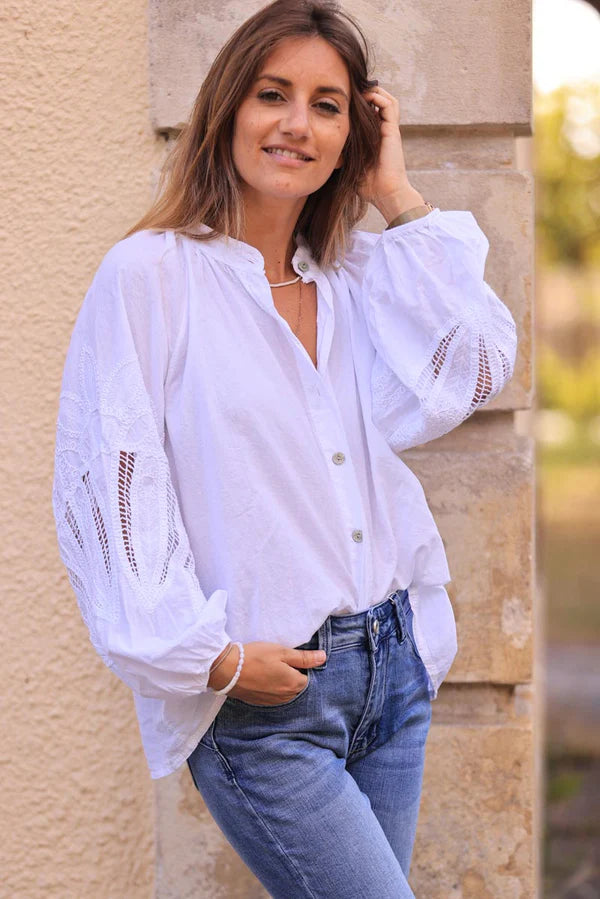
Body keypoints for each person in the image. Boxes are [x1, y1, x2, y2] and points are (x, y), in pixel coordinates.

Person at [51, 1, 518, 896]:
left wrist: (395, 197)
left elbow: (480, 364)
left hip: (395, 670)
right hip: (271, 703)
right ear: (230, 109)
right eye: (273, 94)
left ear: (354, 133)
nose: (297, 124)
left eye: (328, 105)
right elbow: (109, 488)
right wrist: (214, 660)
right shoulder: (151, 276)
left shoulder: (352, 277)